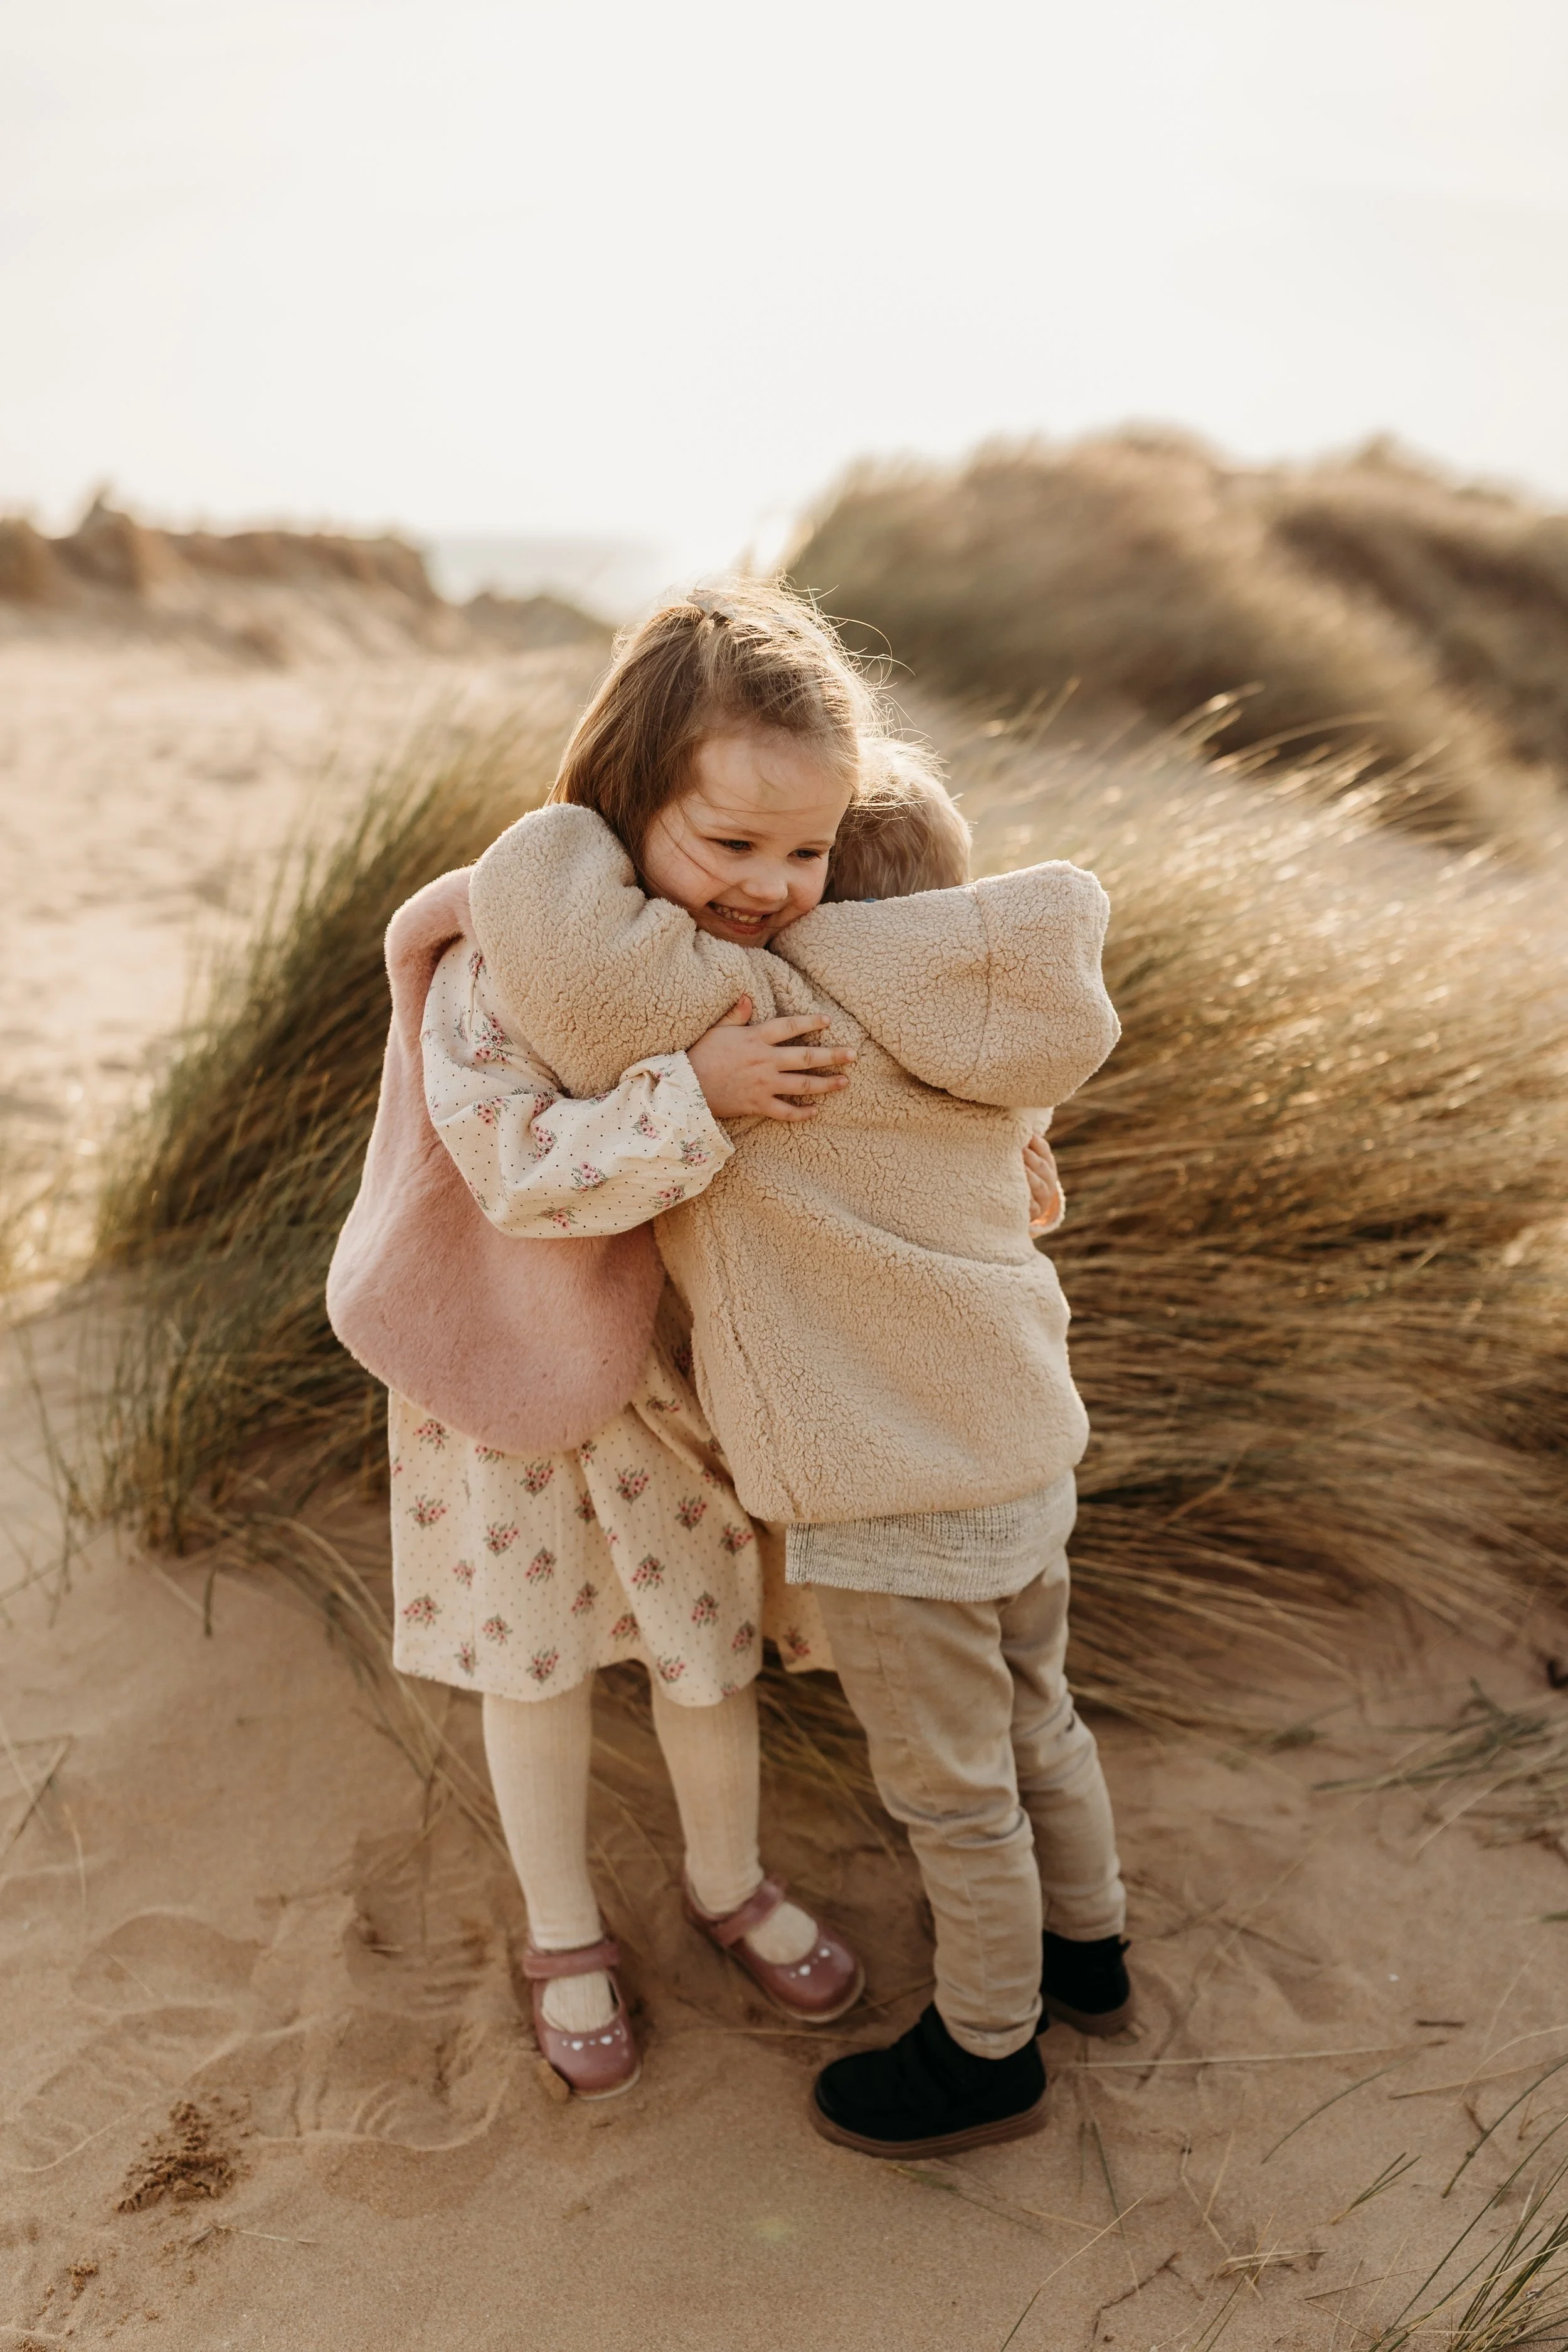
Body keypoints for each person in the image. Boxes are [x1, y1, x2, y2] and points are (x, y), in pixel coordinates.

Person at [465, 581, 1130, 2158]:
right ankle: (1087, 1954)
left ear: (842, 899)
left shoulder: (771, 1016)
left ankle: (989, 2049)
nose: (769, 889)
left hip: (888, 1495)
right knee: (1042, 1721)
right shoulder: (981, 1037)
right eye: (738, 848)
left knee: (954, 1791)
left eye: (803, 855)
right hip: (1027, 1452)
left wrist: (616, 806)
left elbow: (543, 890)